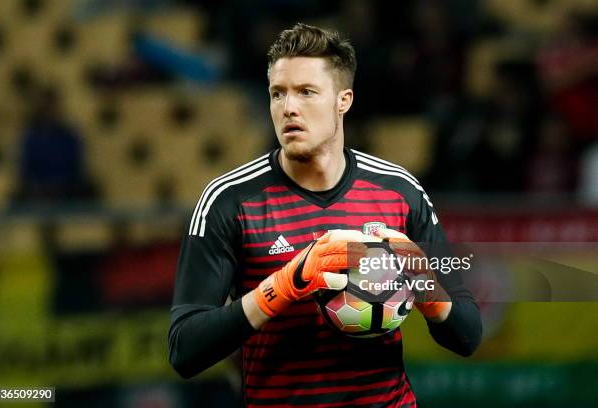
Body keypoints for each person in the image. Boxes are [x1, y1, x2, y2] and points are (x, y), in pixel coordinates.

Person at [169, 23, 482, 407]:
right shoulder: (228, 201)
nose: (288, 108)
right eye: (277, 94)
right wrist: (280, 287)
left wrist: (428, 290)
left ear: (343, 100)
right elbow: (185, 350)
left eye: (306, 92)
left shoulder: (400, 192)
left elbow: (468, 334)